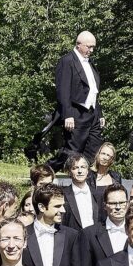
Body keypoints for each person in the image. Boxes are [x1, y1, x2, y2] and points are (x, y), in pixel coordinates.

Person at [55, 30, 103, 166]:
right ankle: (44, 174)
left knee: (94, 148)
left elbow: (93, 90)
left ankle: (85, 180)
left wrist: (99, 114)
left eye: (93, 47)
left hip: (92, 113)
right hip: (76, 112)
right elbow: (62, 90)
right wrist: (67, 115)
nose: (91, 50)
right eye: (89, 46)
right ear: (78, 44)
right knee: (72, 152)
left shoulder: (90, 63)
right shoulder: (67, 61)